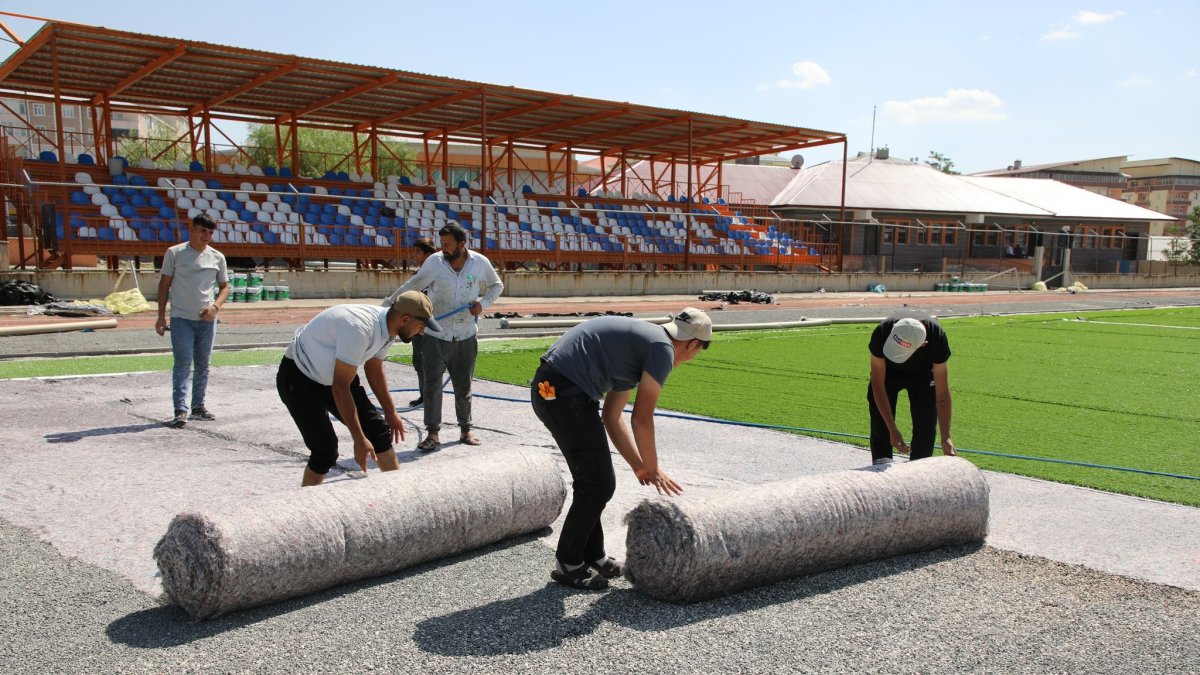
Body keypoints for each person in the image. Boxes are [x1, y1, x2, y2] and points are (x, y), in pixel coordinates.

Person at [530, 308, 712, 590]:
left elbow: (611, 416)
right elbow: (641, 418)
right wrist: (653, 468)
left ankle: (593, 556)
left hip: (554, 390)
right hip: (563, 394)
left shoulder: (642, 344)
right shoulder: (661, 349)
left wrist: (639, 465)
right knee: (597, 484)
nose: (690, 359)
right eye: (696, 352)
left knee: (594, 482)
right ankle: (568, 563)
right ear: (692, 344)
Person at [277, 292, 441, 487]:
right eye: (421, 326)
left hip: (335, 376)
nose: (422, 332)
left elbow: (374, 368)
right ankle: (306, 506)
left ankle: (399, 495)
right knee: (325, 451)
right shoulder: (360, 328)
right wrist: (358, 439)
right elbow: (340, 388)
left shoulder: (389, 327)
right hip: (300, 378)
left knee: (379, 432)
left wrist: (391, 412)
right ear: (405, 319)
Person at [383, 223, 503, 453]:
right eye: (441, 244)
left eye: (447, 245)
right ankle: (433, 434)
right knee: (432, 384)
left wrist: (483, 305)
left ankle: (466, 429)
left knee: (463, 383)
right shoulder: (435, 262)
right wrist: (388, 304)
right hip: (435, 333)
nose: (443, 249)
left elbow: (497, 285)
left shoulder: (479, 263)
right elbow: (414, 285)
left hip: (465, 334)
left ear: (461, 244)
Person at [156, 214, 230, 429]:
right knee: (182, 363)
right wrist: (161, 316)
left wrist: (215, 307)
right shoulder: (175, 253)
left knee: (203, 365)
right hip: (181, 319)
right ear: (192, 229)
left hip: (206, 320)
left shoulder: (217, 257)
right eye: (202, 231)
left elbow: (225, 286)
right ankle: (180, 409)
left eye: (210, 232)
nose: (206, 236)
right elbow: (164, 285)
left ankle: (198, 406)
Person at [867, 312, 956, 466]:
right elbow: (878, 384)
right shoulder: (882, 332)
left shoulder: (937, 338)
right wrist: (892, 429)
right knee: (881, 425)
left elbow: (941, 394)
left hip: (923, 375)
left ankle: (919, 468)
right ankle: (881, 464)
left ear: (923, 344)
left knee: (926, 424)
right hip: (888, 374)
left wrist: (946, 436)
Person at [406, 237, 439, 408]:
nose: (414, 256)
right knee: (419, 361)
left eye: (418, 252)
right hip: (417, 327)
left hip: (434, 326)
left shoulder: (439, 276)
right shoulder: (417, 276)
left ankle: (433, 398)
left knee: (433, 363)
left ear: (429, 255)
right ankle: (424, 396)